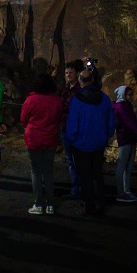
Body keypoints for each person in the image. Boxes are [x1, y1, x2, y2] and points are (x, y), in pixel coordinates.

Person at [64, 70, 116, 216]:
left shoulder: (76, 100)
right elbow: (111, 122)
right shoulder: (104, 99)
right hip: (98, 143)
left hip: (81, 145)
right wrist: (105, 136)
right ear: (93, 80)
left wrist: (72, 139)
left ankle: (90, 206)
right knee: (97, 174)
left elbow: (72, 124)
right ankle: (101, 204)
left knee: (85, 176)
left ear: (80, 81)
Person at [20, 73, 63, 215]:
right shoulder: (57, 101)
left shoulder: (31, 100)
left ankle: (38, 204)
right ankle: (50, 205)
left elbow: (23, 118)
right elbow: (58, 119)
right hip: (50, 138)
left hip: (33, 139)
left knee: (36, 172)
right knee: (49, 172)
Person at [114, 85, 137, 203]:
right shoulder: (121, 106)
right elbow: (130, 123)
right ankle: (121, 192)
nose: (131, 97)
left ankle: (127, 191)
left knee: (128, 167)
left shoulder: (126, 106)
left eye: (131, 94)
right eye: (129, 94)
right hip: (125, 138)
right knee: (122, 166)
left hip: (130, 138)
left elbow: (132, 121)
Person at [58, 59, 83, 198]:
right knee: (70, 161)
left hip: (76, 129)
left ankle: (81, 188)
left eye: (70, 72)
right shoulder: (63, 89)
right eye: (66, 72)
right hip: (65, 127)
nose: (68, 75)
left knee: (77, 160)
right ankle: (76, 189)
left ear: (77, 73)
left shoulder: (80, 90)